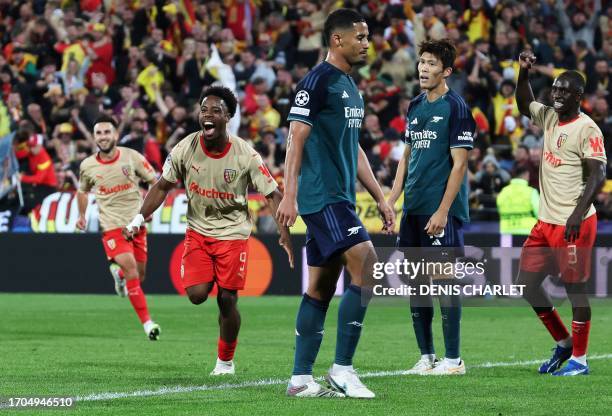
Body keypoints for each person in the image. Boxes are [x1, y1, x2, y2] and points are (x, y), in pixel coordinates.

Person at [124, 86, 294, 376]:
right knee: (197, 295)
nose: (208, 115)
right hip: (199, 232)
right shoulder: (185, 148)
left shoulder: (245, 155)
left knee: (227, 300)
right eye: (204, 110)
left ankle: (225, 362)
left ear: (228, 117)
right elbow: (162, 186)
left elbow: (272, 194)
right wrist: (139, 217)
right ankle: (207, 274)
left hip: (233, 234)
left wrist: (285, 233)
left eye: (215, 110)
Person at [276, 8, 395, 398]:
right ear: (336, 40)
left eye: (367, 37)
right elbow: (296, 137)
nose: (367, 43)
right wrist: (289, 194)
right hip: (321, 194)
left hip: (339, 195)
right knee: (366, 259)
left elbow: (353, 146)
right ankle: (342, 369)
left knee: (321, 287)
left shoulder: (349, 85)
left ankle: (299, 380)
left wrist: (380, 196)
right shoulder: (318, 81)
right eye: (360, 37)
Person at [514, 50, 606, 376]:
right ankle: (564, 342)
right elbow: (525, 104)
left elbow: (598, 174)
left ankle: (579, 360)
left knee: (575, 289)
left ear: (578, 96)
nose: (556, 94)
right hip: (545, 222)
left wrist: (578, 214)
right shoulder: (551, 116)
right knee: (526, 285)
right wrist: (523, 73)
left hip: (573, 222)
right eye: (554, 89)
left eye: (564, 90)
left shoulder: (587, 129)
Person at [387, 39, 475, 376]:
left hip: (440, 210)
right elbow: (407, 157)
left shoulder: (456, 107)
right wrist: (391, 200)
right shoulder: (415, 106)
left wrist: (442, 211)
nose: (424, 68)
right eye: (422, 62)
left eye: (432, 64)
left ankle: (453, 361)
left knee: (444, 283)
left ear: (447, 70)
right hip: (413, 209)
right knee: (418, 284)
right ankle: (427, 357)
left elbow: (459, 166)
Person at [76, 115, 161, 340]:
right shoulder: (87, 166)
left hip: (137, 225)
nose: (103, 137)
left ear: (115, 134)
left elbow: (156, 182)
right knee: (133, 269)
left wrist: (148, 210)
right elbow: (82, 190)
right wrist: (82, 215)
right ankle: (148, 324)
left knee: (139, 277)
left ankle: (119, 274)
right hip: (112, 227)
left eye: (106, 132)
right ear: (94, 137)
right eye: (98, 133)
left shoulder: (131, 157)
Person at [496, 166, 539, 235]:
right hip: (526, 233)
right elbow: (539, 213)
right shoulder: (531, 192)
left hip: (506, 233)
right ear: (526, 175)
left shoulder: (503, 192)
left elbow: (499, 209)